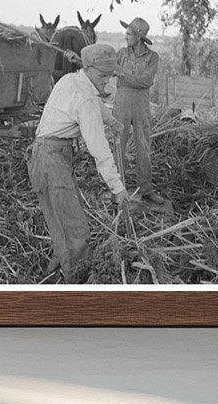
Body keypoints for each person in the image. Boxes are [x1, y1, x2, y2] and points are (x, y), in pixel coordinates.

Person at [28, 43, 130, 283]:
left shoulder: (70, 80)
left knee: (59, 219)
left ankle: (58, 268)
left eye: (110, 75)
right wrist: (118, 188)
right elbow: (99, 149)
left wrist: (112, 122)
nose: (108, 80)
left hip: (44, 155)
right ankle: (76, 284)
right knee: (76, 229)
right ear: (89, 68)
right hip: (52, 160)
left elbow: (94, 104)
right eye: (103, 75)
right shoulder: (85, 99)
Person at [114, 16, 161, 203]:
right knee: (118, 147)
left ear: (139, 37)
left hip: (142, 105)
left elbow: (147, 81)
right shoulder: (121, 54)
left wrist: (123, 75)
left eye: (128, 34)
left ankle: (146, 189)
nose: (126, 37)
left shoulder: (152, 57)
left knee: (144, 147)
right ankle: (117, 190)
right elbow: (108, 68)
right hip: (121, 104)